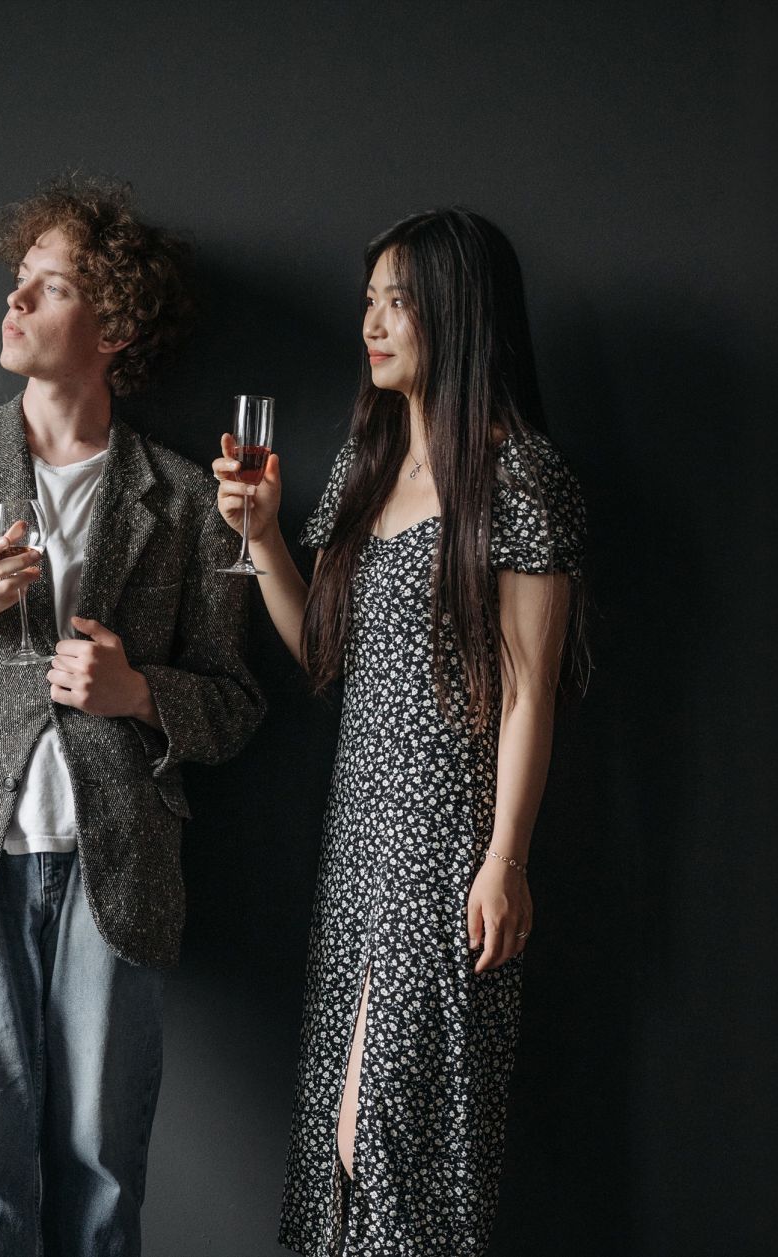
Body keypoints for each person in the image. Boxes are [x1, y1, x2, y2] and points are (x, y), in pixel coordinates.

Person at [0, 176, 265, 1256]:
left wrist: (139, 693)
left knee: (102, 1178)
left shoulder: (187, 499)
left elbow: (235, 704)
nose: (14, 302)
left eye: (50, 286)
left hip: (119, 870)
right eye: (17, 280)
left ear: (113, 327)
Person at [213, 208, 587, 1254]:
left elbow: (529, 692)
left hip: (445, 846)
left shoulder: (520, 478)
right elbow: (322, 654)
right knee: (338, 1149)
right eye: (369, 301)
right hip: (357, 845)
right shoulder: (364, 467)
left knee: (384, 1137)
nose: (372, 324)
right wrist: (262, 539)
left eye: (400, 302)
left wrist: (505, 859)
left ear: (459, 315)